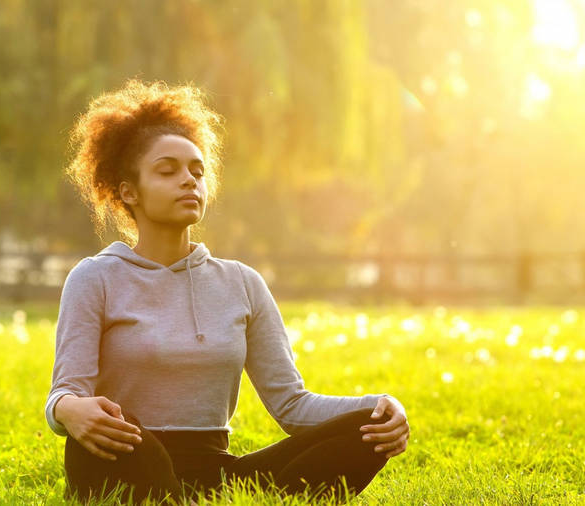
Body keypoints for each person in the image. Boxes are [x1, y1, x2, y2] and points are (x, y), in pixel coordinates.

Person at [45, 79, 410, 505]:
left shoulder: (242, 283)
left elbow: (292, 405)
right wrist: (70, 411)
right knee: (129, 443)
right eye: (168, 171)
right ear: (129, 192)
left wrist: (382, 406)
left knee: (367, 426)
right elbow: (64, 393)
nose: (189, 181)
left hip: (216, 474)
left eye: (197, 172)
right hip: (124, 455)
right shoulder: (94, 278)